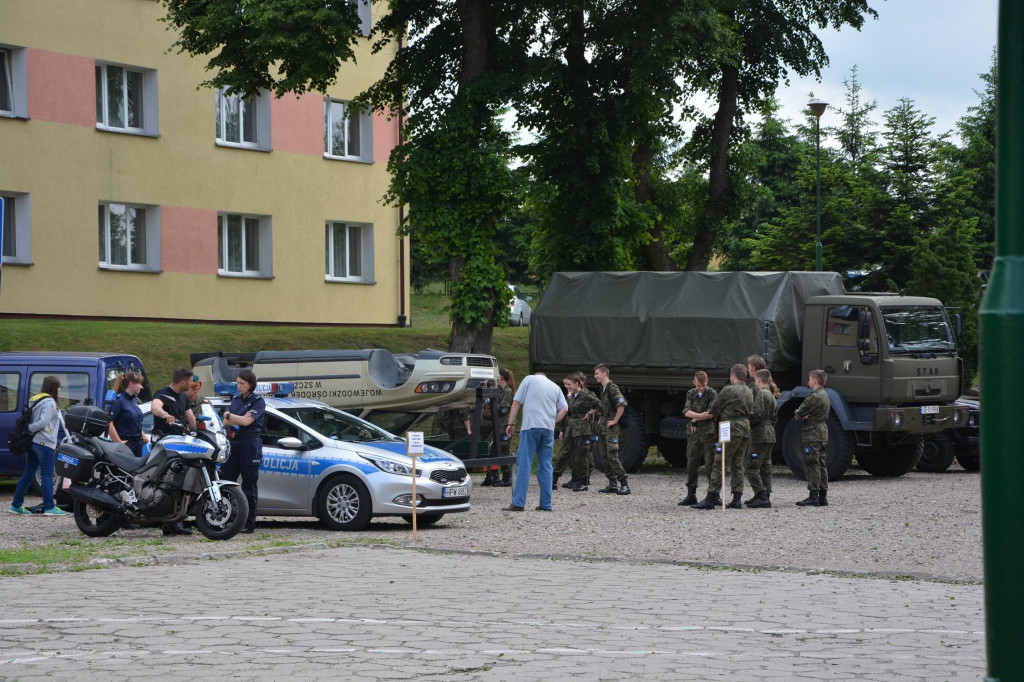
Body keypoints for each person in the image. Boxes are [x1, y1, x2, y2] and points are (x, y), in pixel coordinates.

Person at [503, 372, 568, 512]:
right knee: (546, 465)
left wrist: (511, 424)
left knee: (524, 464)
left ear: (536, 375)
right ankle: (546, 504)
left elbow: (516, 402)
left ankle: (518, 503)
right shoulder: (555, 387)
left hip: (530, 426)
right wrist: (553, 422)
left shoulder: (529, 379)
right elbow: (564, 408)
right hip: (548, 429)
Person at [693, 364, 752, 510]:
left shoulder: (728, 390)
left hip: (730, 428)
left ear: (733, 375)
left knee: (720, 462)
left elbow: (715, 408)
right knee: (738, 464)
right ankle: (737, 498)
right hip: (745, 428)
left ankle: (711, 497)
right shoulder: (749, 391)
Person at [9, 376, 67, 516]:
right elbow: (43, 422)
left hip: (32, 442)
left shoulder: (35, 399)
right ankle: (49, 507)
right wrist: (29, 428)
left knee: (28, 473)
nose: (60, 389)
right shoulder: (49, 402)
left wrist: (29, 431)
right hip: (45, 442)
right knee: (47, 474)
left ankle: (16, 505)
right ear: (54, 387)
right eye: (59, 386)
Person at [151, 368, 198, 535]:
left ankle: (173, 522)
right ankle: (166, 521)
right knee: (166, 483)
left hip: (179, 445)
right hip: (164, 446)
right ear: (183, 382)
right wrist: (165, 414)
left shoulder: (183, 397)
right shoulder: (163, 394)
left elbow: (191, 418)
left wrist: (201, 430)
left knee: (178, 484)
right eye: (191, 381)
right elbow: (155, 407)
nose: (192, 384)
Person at [221, 369, 266, 533]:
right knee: (226, 481)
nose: (239, 386)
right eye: (237, 383)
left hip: (250, 444)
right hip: (234, 442)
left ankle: (248, 523)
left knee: (249, 484)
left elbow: (247, 422)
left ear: (251, 385)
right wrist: (233, 417)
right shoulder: (236, 400)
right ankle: (226, 519)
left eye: (242, 383)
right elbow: (225, 422)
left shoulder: (258, 402)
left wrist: (231, 416)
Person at [678, 371, 718, 506]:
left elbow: (711, 412)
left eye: (703, 385)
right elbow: (686, 411)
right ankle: (691, 494)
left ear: (707, 381)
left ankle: (714, 494)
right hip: (694, 433)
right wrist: (699, 417)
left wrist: (694, 418)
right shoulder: (691, 393)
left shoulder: (712, 393)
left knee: (710, 463)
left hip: (708, 433)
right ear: (694, 382)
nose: (701, 388)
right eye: (699, 386)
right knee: (692, 462)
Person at [556, 372, 600, 492]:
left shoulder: (587, 395)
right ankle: (561, 479)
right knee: (566, 453)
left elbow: (601, 405)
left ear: (577, 383)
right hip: (570, 429)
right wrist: (562, 429)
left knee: (582, 454)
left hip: (582, 429)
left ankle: (583, 481)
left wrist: (591, 412)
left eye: (569, 384)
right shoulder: (571, 396)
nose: (566, 386)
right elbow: (567, 414)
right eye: (565, 384)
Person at [794, 369, 831, 507]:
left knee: (811, 463)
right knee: (821, 463)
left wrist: (801, 414)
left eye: (810, 379)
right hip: (822, 432)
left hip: (812, 433)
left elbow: (798, 413)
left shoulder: (813, 397)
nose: (808, 381)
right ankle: (823, 496)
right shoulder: (825, 395)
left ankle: (813, 496)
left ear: (815, 380)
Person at [592, 364, 630, 495]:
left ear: (604, 373)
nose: (595, 376)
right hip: (603, 427)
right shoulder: (603, 389)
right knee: (604, 456)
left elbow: (621, 404)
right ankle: (612, 483)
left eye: (597, 373)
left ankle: (624, 484)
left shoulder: (612, 388)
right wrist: (599, 417)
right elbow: (605, 407)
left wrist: (615, 420)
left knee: (612, 455)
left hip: (611, 428)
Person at [745, 369, 779, 509]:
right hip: (769, 433)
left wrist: (747, 421)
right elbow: (775, 417)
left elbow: (756, 414)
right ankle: (764, 494)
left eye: (755, 380)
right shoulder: (771, 394)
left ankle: (761, 494)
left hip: (759, 435)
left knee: (750, 466)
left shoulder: (761, 394)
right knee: (765, 466)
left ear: (758, 380)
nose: (755, 382)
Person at [107, 372, 149, 457]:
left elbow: (135, 422)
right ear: (132, 384)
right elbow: (109, 423)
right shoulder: (118, 400)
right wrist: (118, 443)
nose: (141, 387)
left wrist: (143, 436)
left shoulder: (134, 400)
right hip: (126, 444)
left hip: (138, 444)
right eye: (139, 384)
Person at [491, 369, 516, 488]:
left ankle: (507, 477)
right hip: (498, 425)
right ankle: (493, 475)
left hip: (504, 426)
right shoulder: (500, 390)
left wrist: (491, 402)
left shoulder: (507, 391)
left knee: (503, 450)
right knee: (495, 451)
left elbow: (503, 409)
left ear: (500, 377)